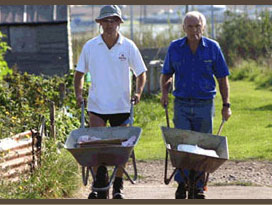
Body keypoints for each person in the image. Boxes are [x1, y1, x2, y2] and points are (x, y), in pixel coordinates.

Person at [73, 5, 147, 199]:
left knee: (122, 150)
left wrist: (138, 93)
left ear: (119, 23)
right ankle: (99, 181)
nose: (109, 24)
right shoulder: (90, 46)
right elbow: (79, 73)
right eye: (106, 20)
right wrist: (79, 94)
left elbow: (141, 73)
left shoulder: (128, 46)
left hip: (122, 105)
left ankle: (118, 186)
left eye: (113, 20)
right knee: (96, 146)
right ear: (100, 23)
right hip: (97, 105)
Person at [160, 11, 231, 199]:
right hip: (182, 104)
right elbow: (167, 74)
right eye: (190, 26)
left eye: (197, 26)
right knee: (182, 145)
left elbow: (222, 78)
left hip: (204, 104)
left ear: (203, 27)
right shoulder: (175, 48)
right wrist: (164, 93)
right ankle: (182, 183)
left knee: (202, 146)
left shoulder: (213, 48)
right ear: (184, 28)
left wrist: (226, 104)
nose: (194, 30)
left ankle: (198, 186)